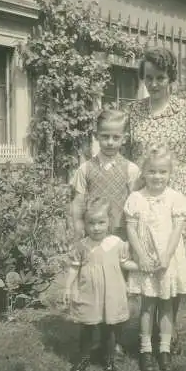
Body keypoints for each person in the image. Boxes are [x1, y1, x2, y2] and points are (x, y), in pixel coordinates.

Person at [125, 46, 186, 355]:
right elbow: (129, 155)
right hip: (143, 197)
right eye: (148, 78)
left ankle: (167, 334)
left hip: (178, 195)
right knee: (147, 260)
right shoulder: (134, 111)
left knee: (174, 264)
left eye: (160, 77)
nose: (154, 84)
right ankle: (150, 333)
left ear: (171, 77)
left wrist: (183, 185)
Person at [70, 108, 141, 355]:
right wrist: (79, 227)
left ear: (124, 138)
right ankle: (94, 335)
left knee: (117, 289)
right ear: (96, 136)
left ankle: (115, 339)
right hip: (93, 238)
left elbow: (136, 203)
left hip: (119, 237)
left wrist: (134, 236)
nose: (110, 142)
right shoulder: (86, 169)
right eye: (105, 136)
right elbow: (78, 202)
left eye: (116, 137)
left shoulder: (131, 169)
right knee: (93, 285)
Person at [124, 144, 186, 371]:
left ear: (170, 173)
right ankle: (145, 351)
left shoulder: (176, 198)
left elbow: (177, 231)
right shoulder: (135, 198)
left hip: (167, 259)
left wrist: (166, 256)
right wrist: (141, 256)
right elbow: (131, 229)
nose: (157, 176)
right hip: (146, 259)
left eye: (163, 172)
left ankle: (164, 350)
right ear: (144, 172)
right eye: (152, 171)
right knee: (147, 306)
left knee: (166, 306)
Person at [64, 197, 138, 371]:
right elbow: (74, 269)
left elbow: (125, 263)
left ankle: (109, 360)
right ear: (85, 223)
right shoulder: (82, 245)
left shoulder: (117, 243)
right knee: (88, 326)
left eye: (101, 222)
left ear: (109, 222)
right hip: (89, 293)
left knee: (110, 328)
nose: (96, 228)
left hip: (112, 293)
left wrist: (142, 266)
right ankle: (84, 358)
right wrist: (68, 287)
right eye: (91, 223)